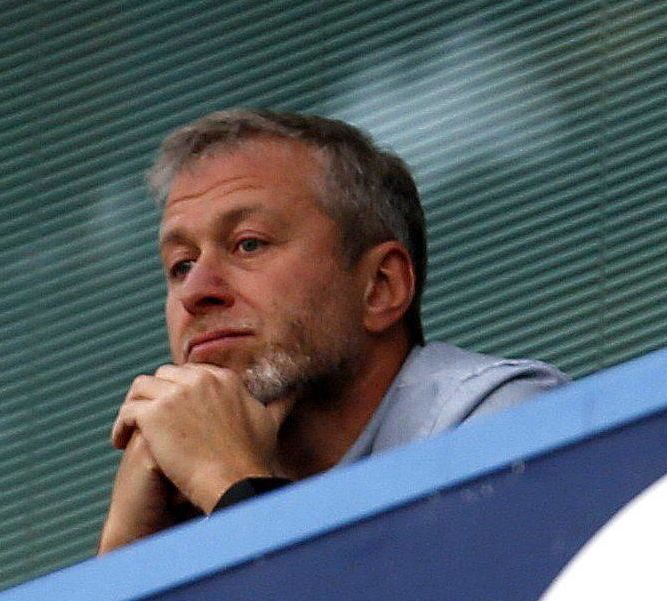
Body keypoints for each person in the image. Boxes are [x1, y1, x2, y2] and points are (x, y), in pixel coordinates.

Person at [97, 109, 567, 553]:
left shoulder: (505, 422)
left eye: (248, 244)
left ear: (379, 287)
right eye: (181, 265)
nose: (195, 292)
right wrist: (126, 550)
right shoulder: (192, 506)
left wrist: (232, 486)